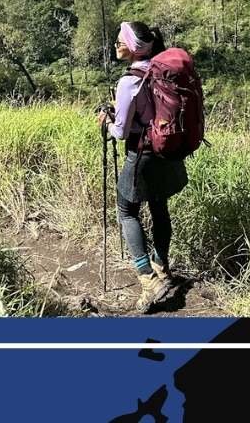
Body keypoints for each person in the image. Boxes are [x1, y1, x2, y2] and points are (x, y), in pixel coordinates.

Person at [96, 20, 188, 312]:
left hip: (142, 154)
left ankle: (147, 278)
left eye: (119, 40)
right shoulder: (161, 71)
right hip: (167, 151)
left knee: (126, 211)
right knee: (159, 207)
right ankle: (162, 266)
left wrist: (108, 121)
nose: (116, 45)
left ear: (132, 47)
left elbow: (122, 131)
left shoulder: (129, 81)